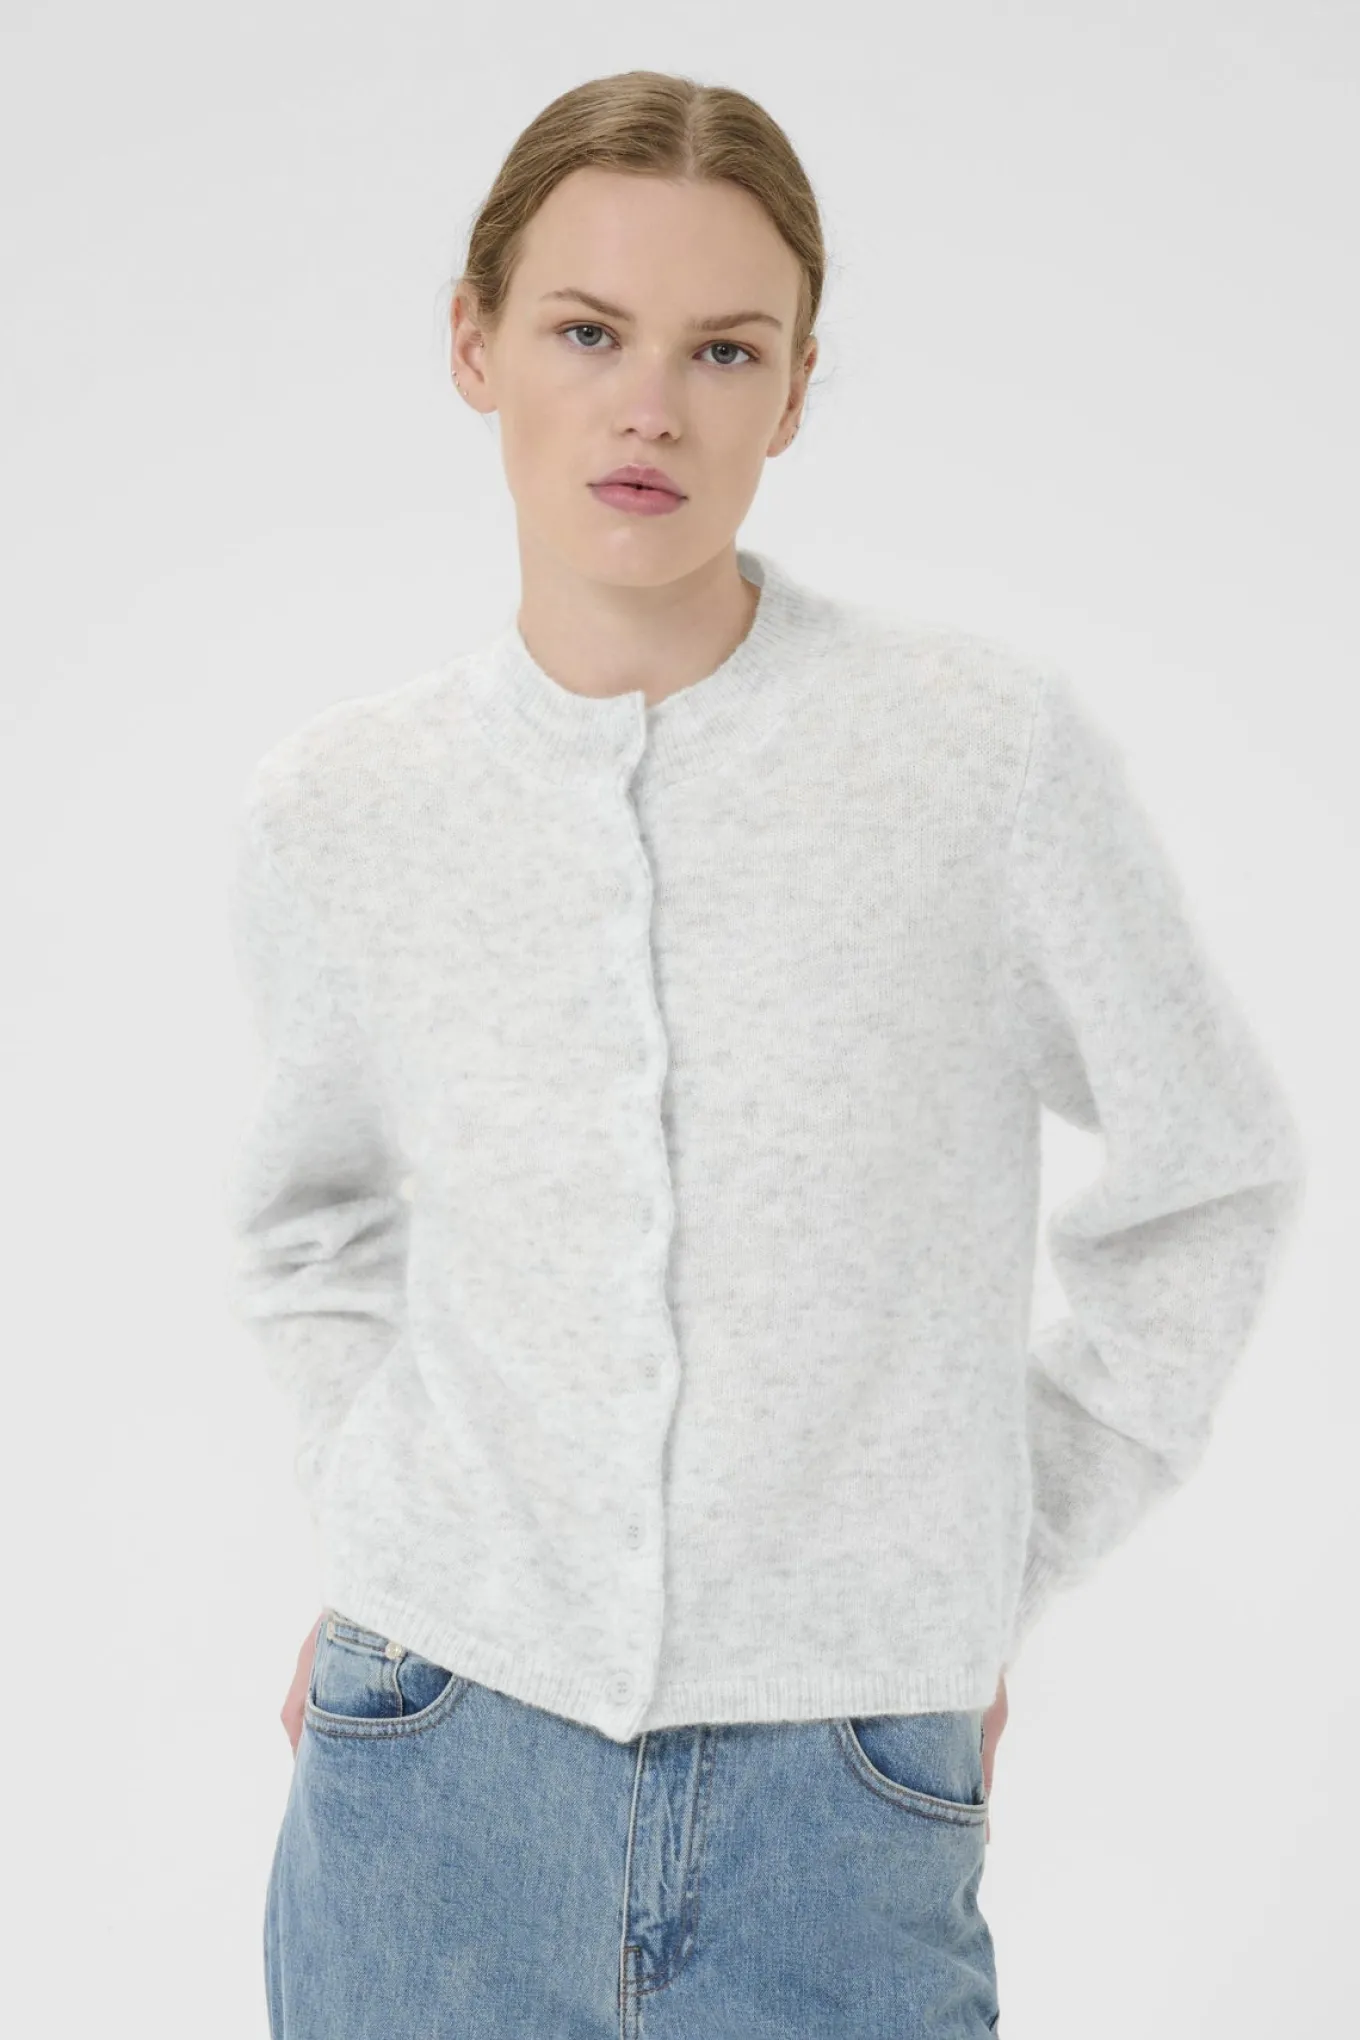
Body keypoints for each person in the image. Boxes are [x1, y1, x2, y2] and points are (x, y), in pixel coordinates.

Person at [225, 68, 1306, 2040]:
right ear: (472, 345)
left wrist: (978, 1565)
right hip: (431, 1766)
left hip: (844, 1801)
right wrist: (392, 1523)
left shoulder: (976, 763)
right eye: (587, 332)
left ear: (795, 390)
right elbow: (309, 1225)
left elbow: (1205, 1173)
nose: (651, 406)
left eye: (723, 350)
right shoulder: (342, 806)